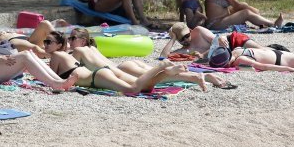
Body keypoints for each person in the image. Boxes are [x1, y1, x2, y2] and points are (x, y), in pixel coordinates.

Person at [0, 0, 78, 90]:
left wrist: (4, 57)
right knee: (24, 56)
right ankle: (54, 84)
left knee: (29, 53)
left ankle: (58, 80)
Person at [64, 28, 232, 90]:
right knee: (161, 76)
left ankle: (197, 77)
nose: (69, 42)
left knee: (160, 80)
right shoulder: (91, 48)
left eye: (72, 38)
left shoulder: (78, 51)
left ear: (82, 41)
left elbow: (71, 69)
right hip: (125, 65)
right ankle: (200, 76)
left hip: (121, 70)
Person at [42, 31, 186, 93]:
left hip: (97, 77)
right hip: (103, 73)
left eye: (48, 42)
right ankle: (165, 72)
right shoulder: (70, 55)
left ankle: (160, 67)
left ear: (59, 45)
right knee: (145, 87)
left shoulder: (56, 56)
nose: (45, 45)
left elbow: (53, 79)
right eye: (45, 41)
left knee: (133, 89)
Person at [160, 22, 267, 59]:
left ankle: (281, 51)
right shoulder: (184, 50)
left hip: (232, 42)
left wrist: (203, 55)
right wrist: (173, 38)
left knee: (264, 51)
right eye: (182, 39)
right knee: (263, 56)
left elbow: (217, 40)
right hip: (231, 54)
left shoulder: (198, 31)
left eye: (187, 35)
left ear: (189, 30)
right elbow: (163, 56)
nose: (186, 39)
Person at [212, 47, 294, 73]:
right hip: (281, 60)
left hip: (278, 54)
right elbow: (263, 67)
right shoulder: (239, 58)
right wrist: (288, 69)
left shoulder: (237, 51)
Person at [0, 19, 66, 59]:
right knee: (35, 48)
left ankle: (62, 45)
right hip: (9, 42)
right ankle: (58, 55)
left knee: (45, 23)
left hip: (22, 38)